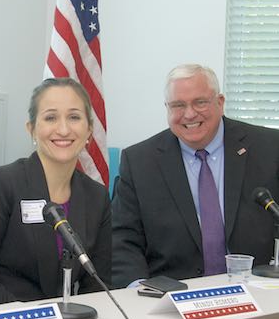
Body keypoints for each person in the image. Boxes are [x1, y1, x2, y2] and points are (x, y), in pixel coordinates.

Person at [112, 64, 279, 288]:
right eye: (178, 105)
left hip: (259, 293)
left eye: (200, 102)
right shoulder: (139, 161)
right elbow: (122, 238)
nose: (189, 114)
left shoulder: (270, 148)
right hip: (172, 297)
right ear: (167, 109)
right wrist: (139, 291)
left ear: (220, 102)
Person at [0, 77, 111, 310]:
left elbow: (98, 285)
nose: (63, 129)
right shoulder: (0, 185)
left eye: (74, 117)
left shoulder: (96, 197)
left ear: (89, 130)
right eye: (50, 117)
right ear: (31, 129)